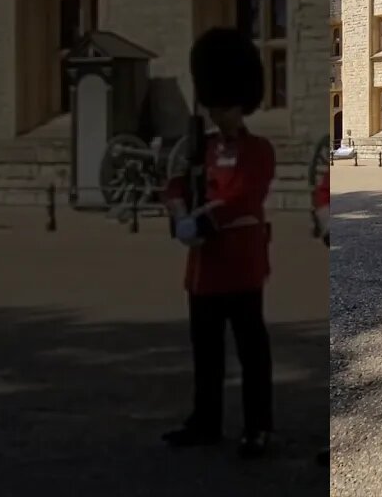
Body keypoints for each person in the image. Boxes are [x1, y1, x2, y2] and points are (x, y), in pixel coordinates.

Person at [162, 27, 276, 459]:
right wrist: (178, 213)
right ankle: (205, 421)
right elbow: (174, 183)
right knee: (206, 352)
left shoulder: (258, 148)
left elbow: (244, 195)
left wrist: (202, 219)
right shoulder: (200, 148)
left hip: (241, 263)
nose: (218, 114)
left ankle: (258, 427)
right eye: (215, 105)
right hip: (204, 268)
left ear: (240, 103)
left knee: (251, 352)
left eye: (224, 106)